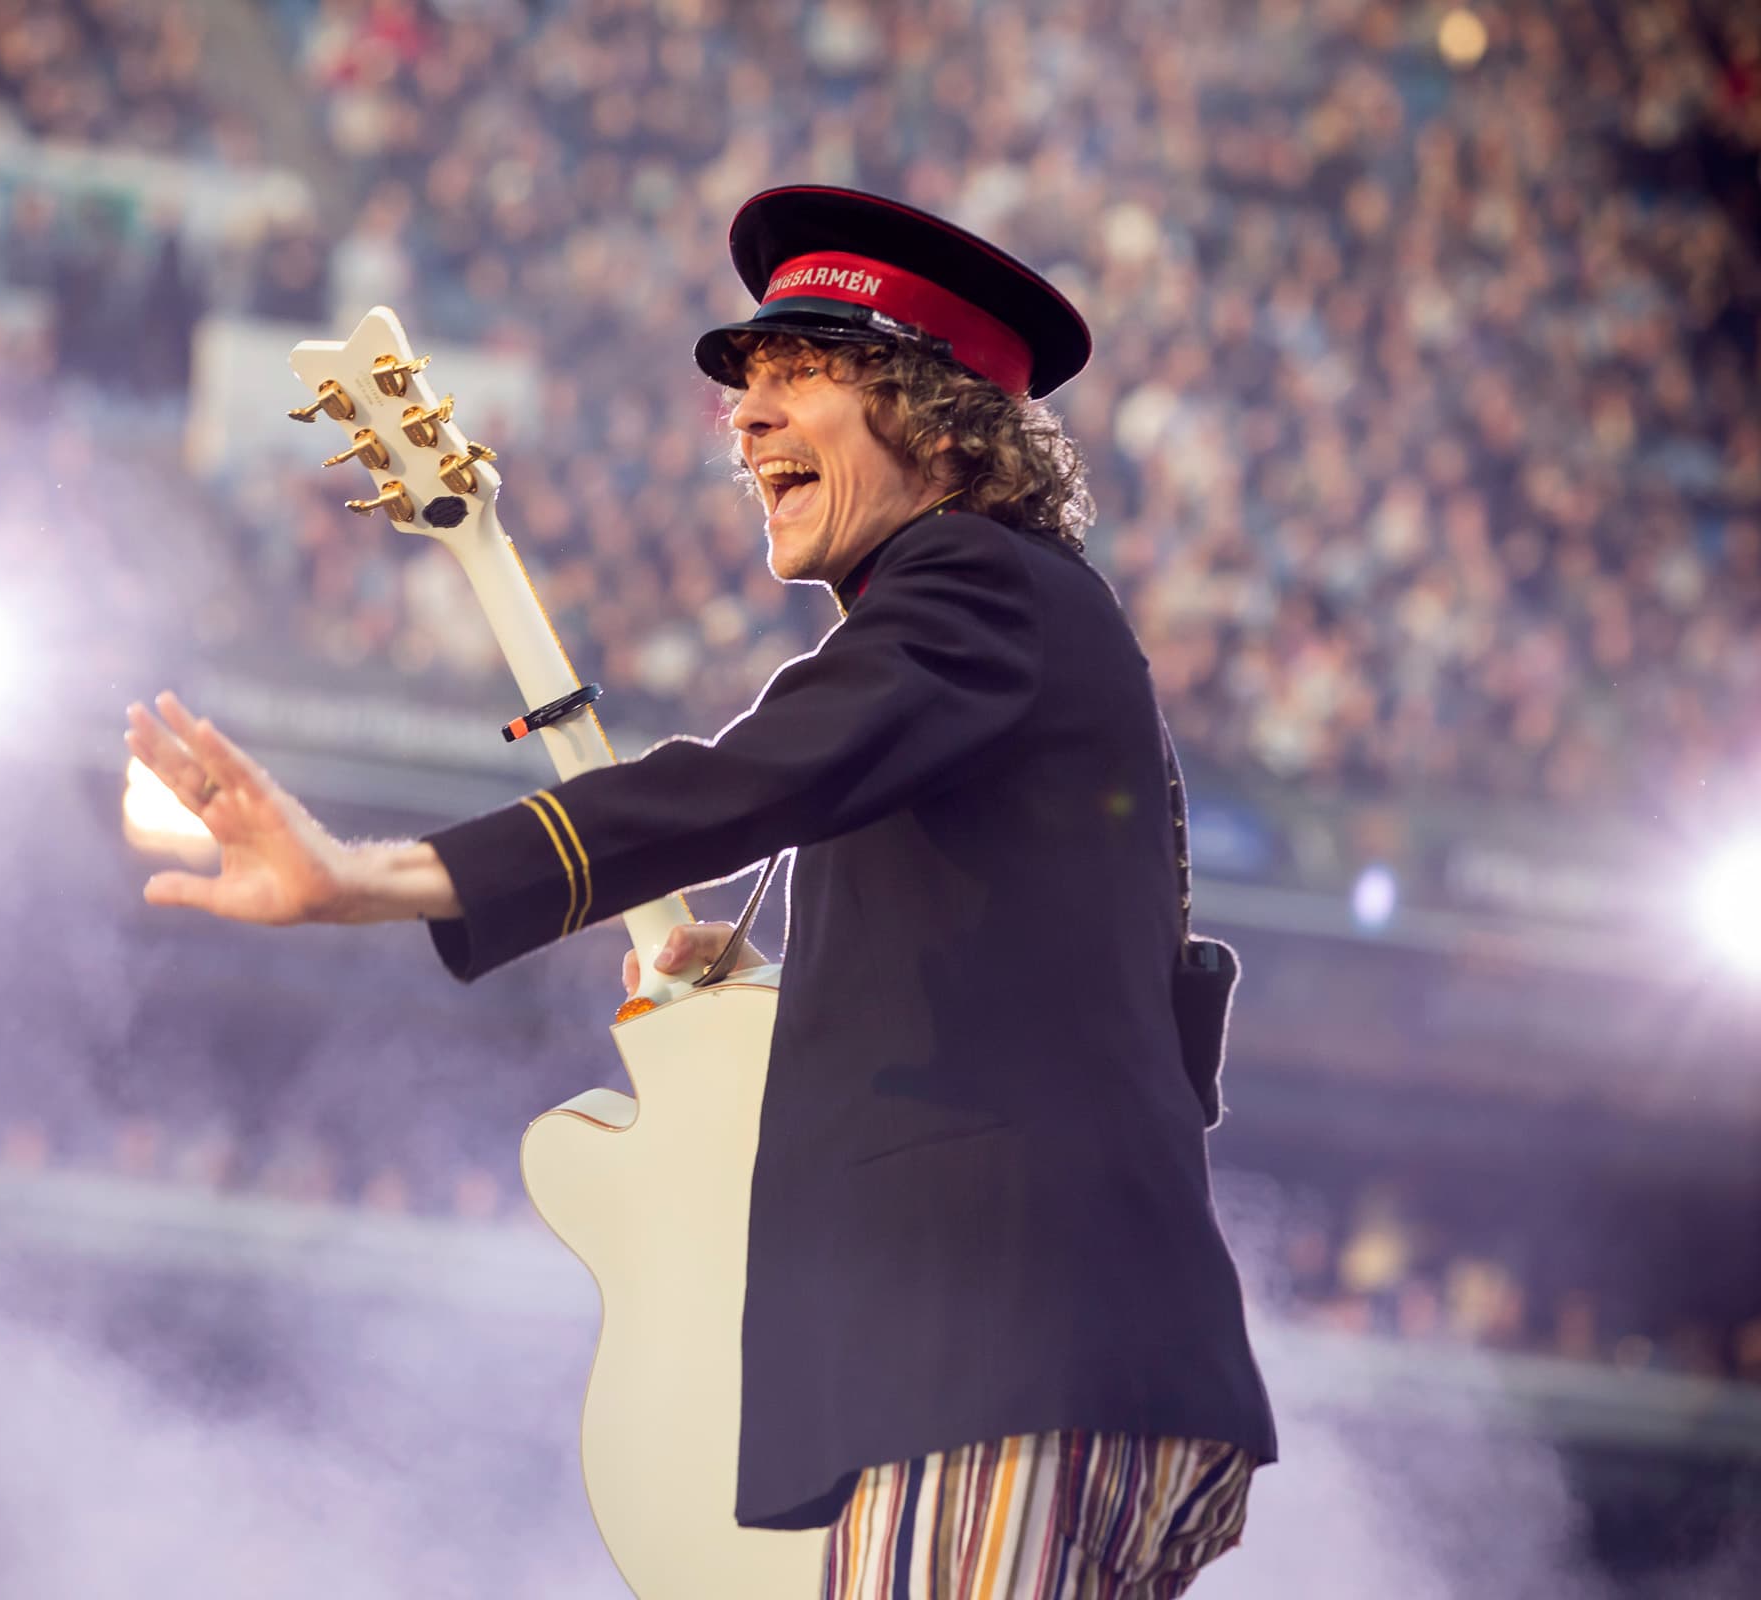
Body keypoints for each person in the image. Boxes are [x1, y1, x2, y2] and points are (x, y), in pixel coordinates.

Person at [126, 185, 1276, 1599]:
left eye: (800, 375)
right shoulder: (1015, 634)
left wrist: (366, 877)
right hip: (1061, 1355)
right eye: (749, 385)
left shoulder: (978, 586)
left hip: (995, 1359)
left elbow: (732, 784)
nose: (744, 418)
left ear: (934, 417)